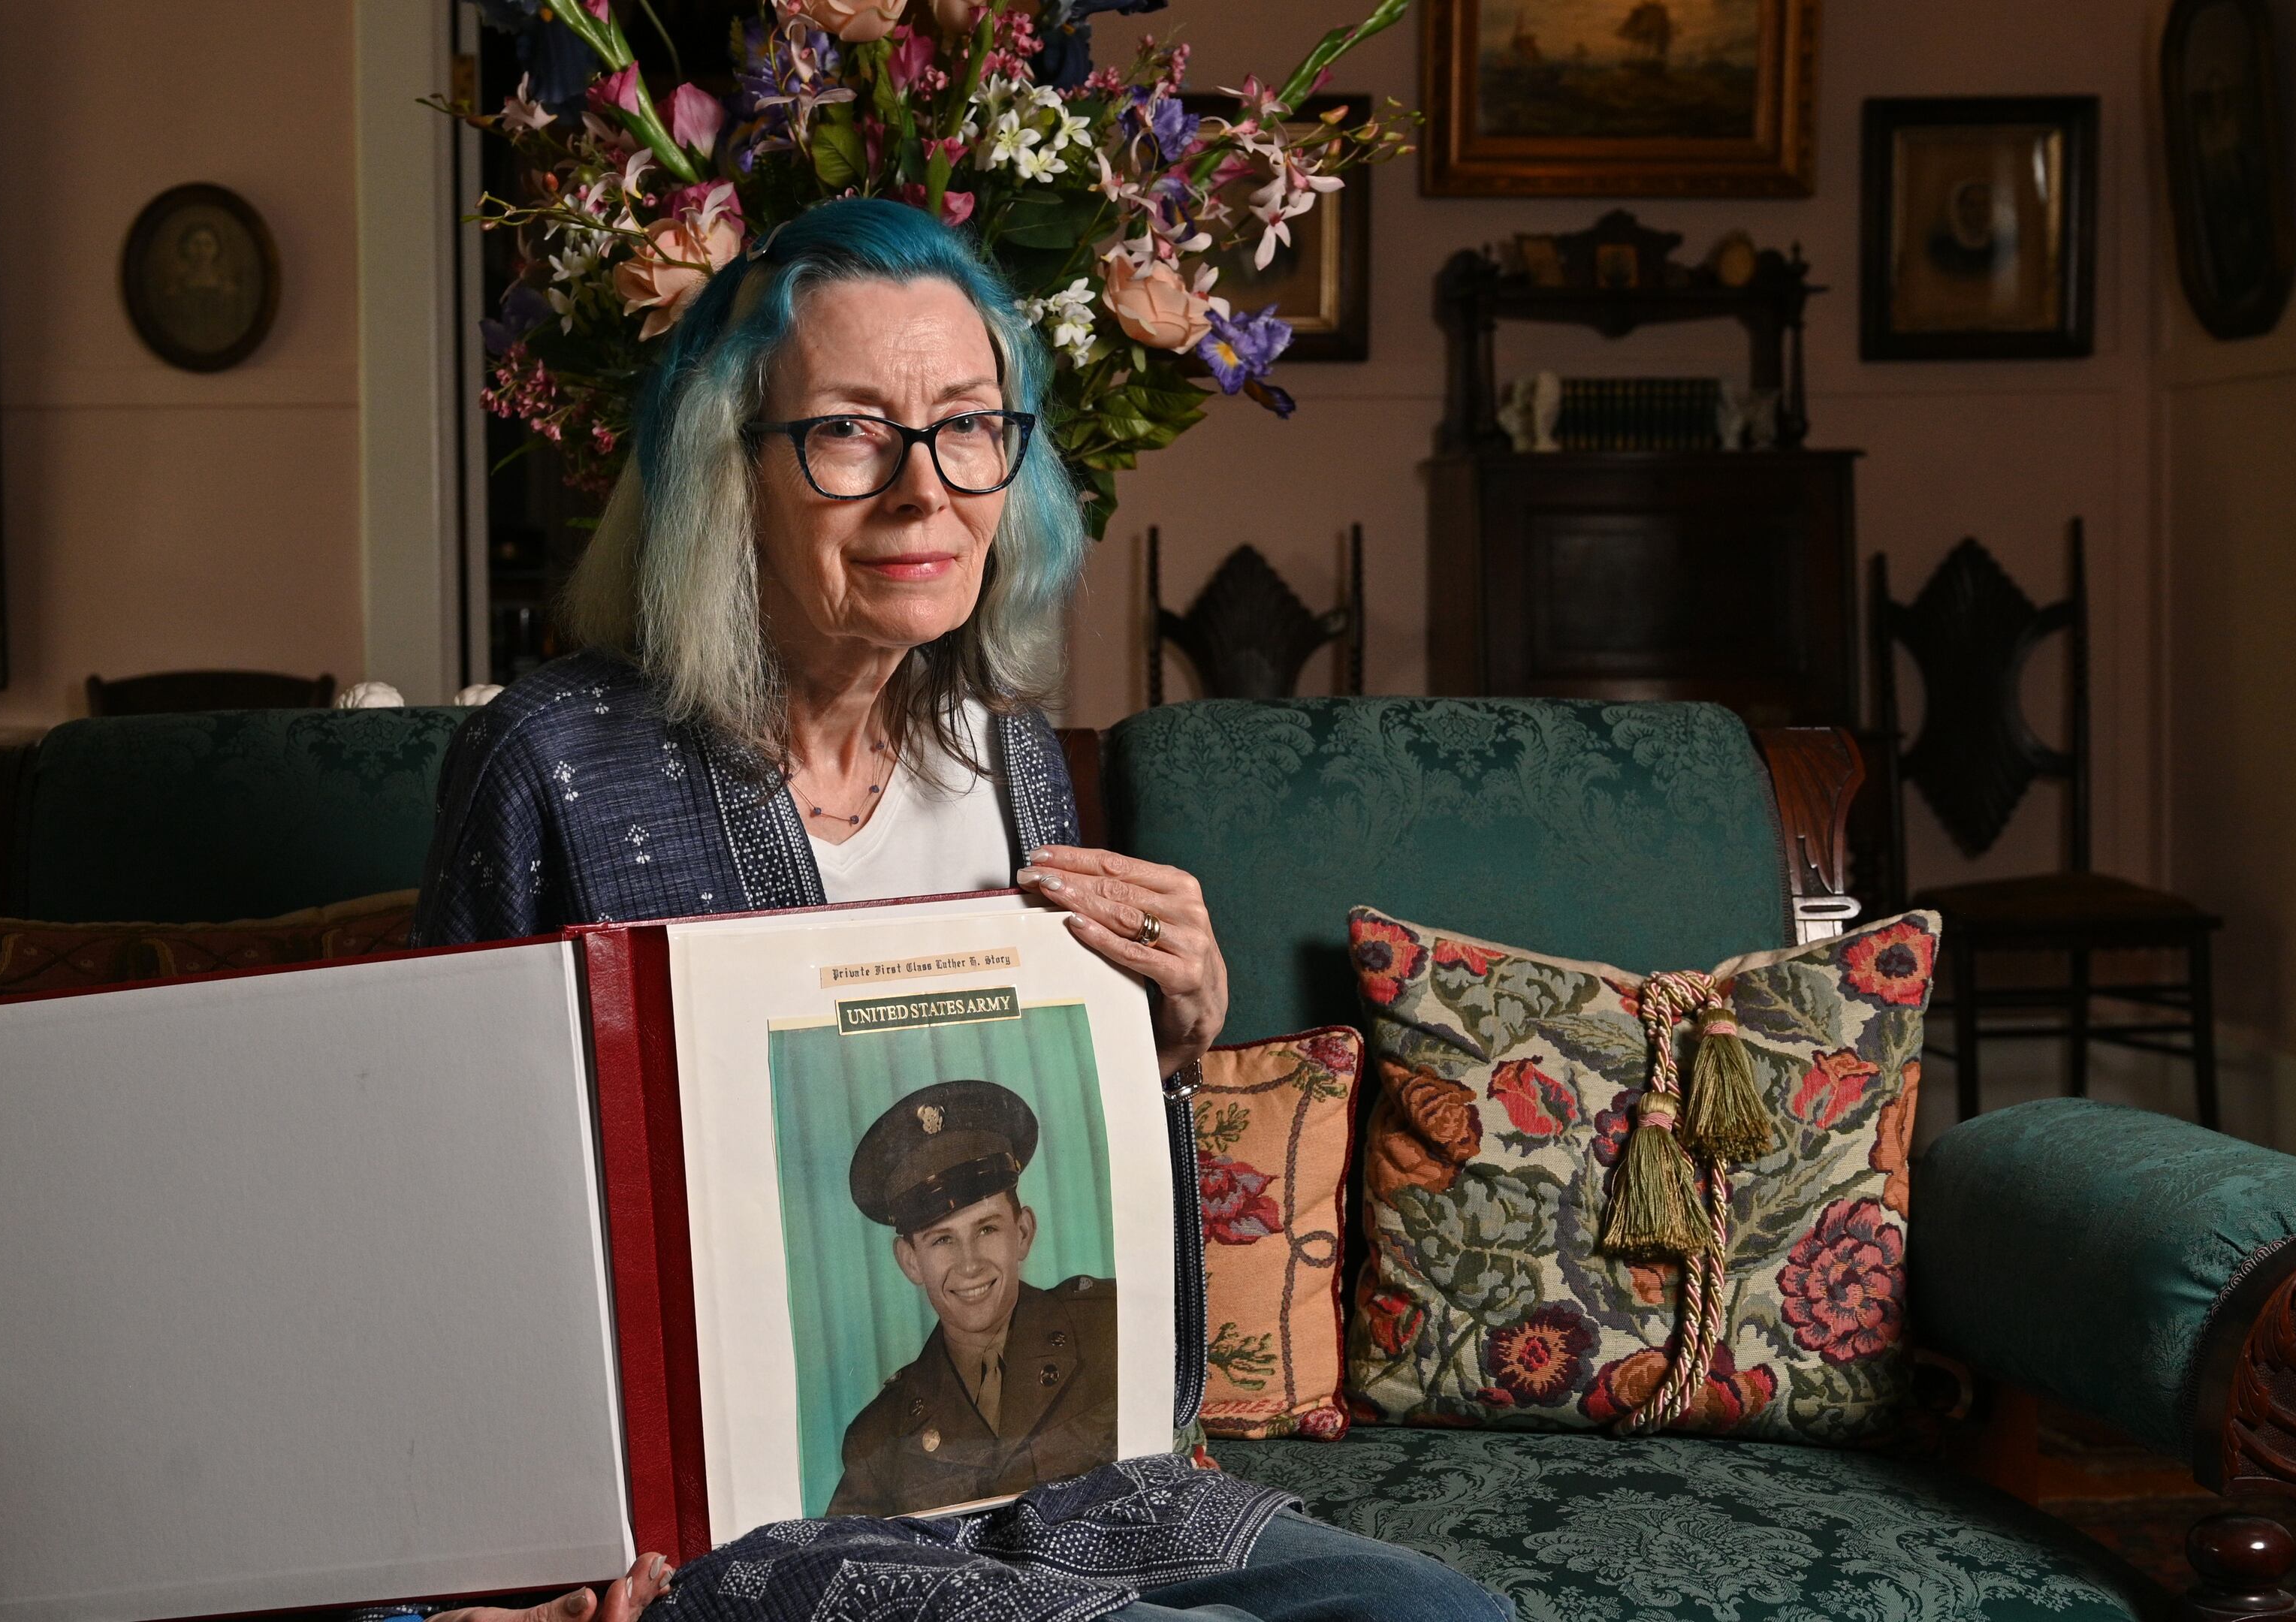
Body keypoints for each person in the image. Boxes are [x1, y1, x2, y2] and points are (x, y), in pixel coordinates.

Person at [413, 197, 1511, 1622]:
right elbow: (443, 1212)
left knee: (1446, 1621)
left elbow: (1121, 1280)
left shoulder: (1010, 753)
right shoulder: (554, 757)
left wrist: (1165, 1060)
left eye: (968, 426)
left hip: (1063, 1478)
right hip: (745, 1528)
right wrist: (498, 1576)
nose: (924, 489)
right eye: (852, 429)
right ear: (724, 472)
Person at [829, 1080, 1117, 1515]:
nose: (969, 1266)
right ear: (910, 1261)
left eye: (986, 1229)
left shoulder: (1110, 1327)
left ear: (1022, 1233)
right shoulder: (878, 1438)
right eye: (942, 1240)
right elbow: (850, 1564)